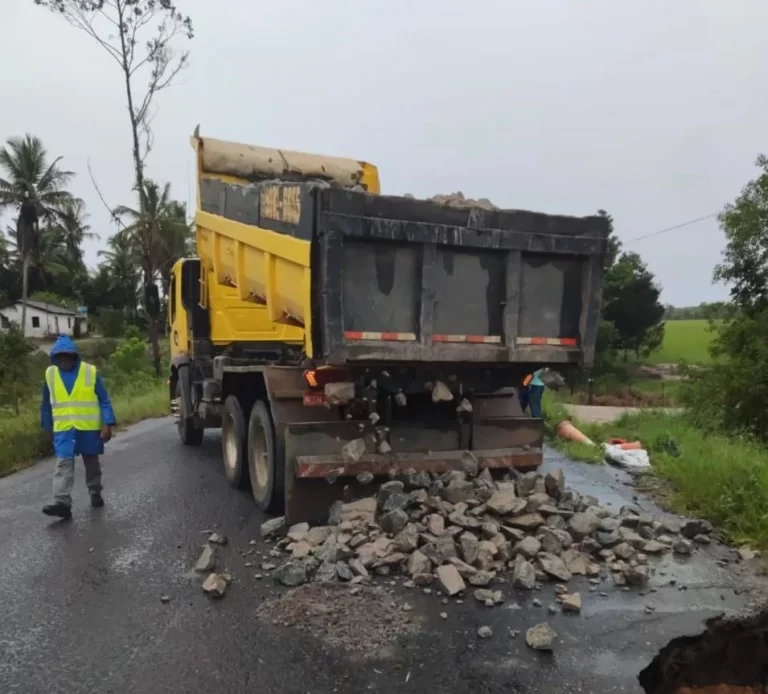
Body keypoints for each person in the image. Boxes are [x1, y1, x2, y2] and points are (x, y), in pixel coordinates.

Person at [41, 335, 116, 520]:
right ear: (55, 358)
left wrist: (107, 423)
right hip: (64, 429)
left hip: (87, 428)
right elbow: (46, 405)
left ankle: (95, 491)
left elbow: (104, 399)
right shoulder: (50, 374)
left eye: (68, 356)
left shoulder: (89, 372)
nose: (64, 360)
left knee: (91, 462)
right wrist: (47, 428)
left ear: (75, 356)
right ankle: (62, 503)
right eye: (60, 357)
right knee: (63, 465)